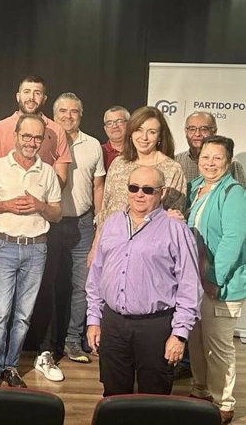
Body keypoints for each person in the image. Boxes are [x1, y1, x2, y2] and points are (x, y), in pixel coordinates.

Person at [86, 166, 202, 396]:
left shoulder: (176, 229)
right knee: (113, 395)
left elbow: (189, 286)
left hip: (156, 327)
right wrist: (93, 319)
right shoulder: (111, 224)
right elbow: (96, 275)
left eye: (148, 189)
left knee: (154, 397)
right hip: (113, 323)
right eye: (134, 187)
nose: (139, 194)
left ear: (161, 192)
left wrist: (179, 335)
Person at [0, 114, 62, 388]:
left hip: (36, 248)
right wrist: (6, 205)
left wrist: (40, 206)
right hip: (3, 245)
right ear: (15, 135)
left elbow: (57, 214)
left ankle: (11, 366)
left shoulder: (48, 172)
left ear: (43, 140)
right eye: (26, 136)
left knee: (23, 314)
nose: (31, 142)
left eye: (37, 137)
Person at [34, 93, 105, 382]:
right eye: (62, 111)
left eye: (74, 111)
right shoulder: (44, 140)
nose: (68, 116)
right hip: (49, 222)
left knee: (82, 286)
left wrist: (99, 221)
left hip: (82, 222)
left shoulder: (93, 146)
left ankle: (73, 340)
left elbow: (98, 185)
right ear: (54, 114)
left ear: (81, 114)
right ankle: (46, 346)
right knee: (47, 284)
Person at [186, 136, 246, 425]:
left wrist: (213, 278)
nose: (210, 163)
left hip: (221, 285)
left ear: (229, 161)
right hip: (193, 283)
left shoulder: (233, 193)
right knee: (196, 341)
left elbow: (233, 241)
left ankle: (224, 402)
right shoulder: (194, 188)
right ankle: (200, 390)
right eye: (205, 157)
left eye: (217, 158)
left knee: (219, 346)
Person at [90, 106, 187, 264]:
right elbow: (106, 210)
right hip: (110, 249)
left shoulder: (172, 169)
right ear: (131, 132)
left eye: (152, 132)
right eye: (139, 130)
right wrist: (95, 247)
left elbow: (174, 219)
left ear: (160, 137)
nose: (144, 137)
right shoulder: (118, 163)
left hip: (147, 256)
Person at [0, 75, 71, 188]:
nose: (31, 97)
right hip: (5, 200)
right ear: (18, 97)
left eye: (37, 93)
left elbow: (61, 175)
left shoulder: (56, 130)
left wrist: (43, 198)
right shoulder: (0, 127)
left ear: (44, 99)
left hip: (41, 202)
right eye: (27, 92)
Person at [175, 111, 246, 186]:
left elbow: (241, 194)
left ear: (214, 131)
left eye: (204, 129)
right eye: (192, 129)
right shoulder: (176, 161)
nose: (197, 134)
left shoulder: (232, 164)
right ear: (186, 132)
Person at [100, 106, 129, 171]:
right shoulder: (99, 152)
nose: (115, 126)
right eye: (109, 123)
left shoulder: (139, 150)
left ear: (129, 124)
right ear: (105, 128)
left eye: (119, 121)